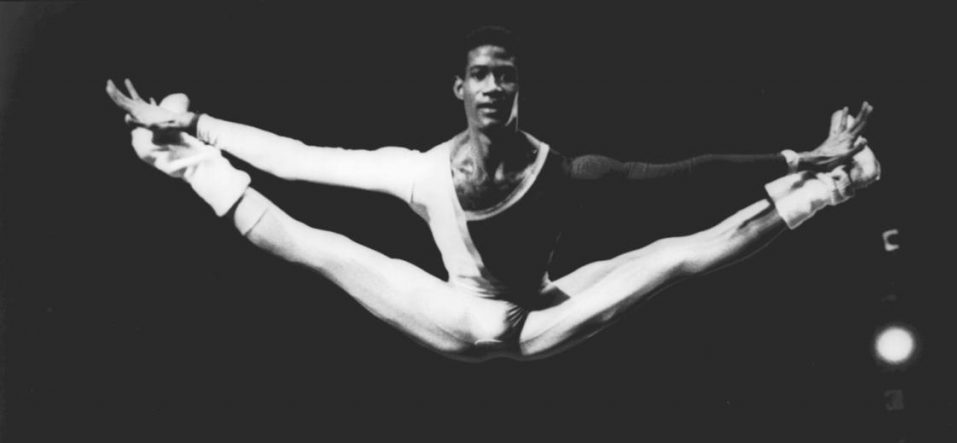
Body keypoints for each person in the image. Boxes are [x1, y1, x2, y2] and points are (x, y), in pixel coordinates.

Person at [105, 25, 879, 363]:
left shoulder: (568, 171)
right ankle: (182, 157)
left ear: (518, 89)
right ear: (460, 87)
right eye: (481, 73)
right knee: (322, 246)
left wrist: (799, 152)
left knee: (672, 253)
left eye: (506, 74)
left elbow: (682, 173)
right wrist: (198, 120)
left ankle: (826, 185)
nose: (494, 85)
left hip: (538, 311)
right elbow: (300, 159)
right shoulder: (420, 171)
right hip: (464, 316)